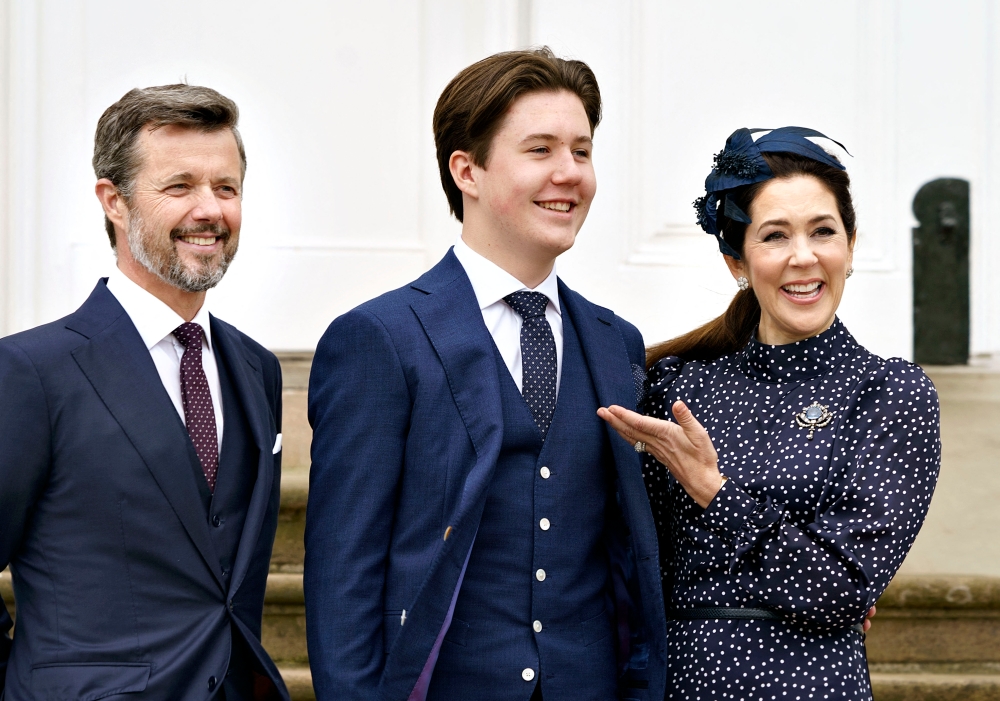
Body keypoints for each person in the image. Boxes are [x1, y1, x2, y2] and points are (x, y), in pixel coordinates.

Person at [305, 48, 666, 700]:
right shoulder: (378, 339)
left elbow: (626, 552)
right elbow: (342, 572)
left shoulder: (618, 343)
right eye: (541, 150)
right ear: (466, 170)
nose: (570, 173)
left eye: (582, 152)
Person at [599, 126, 941, 700]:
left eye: (823, 232)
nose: (803, 257)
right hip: (679, 682)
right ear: (738, 260)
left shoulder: (889, 393)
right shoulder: (676, 386)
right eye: (775, 236)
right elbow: (617, 549)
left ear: (851, 246)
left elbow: (837, 589)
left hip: (812, 685)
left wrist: (714, 490)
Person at [0, 85, 289, 700]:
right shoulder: (30, 371)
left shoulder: (256, 369)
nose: (210, 210)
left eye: (227, 188)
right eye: (179, 187)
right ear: (115, 202)